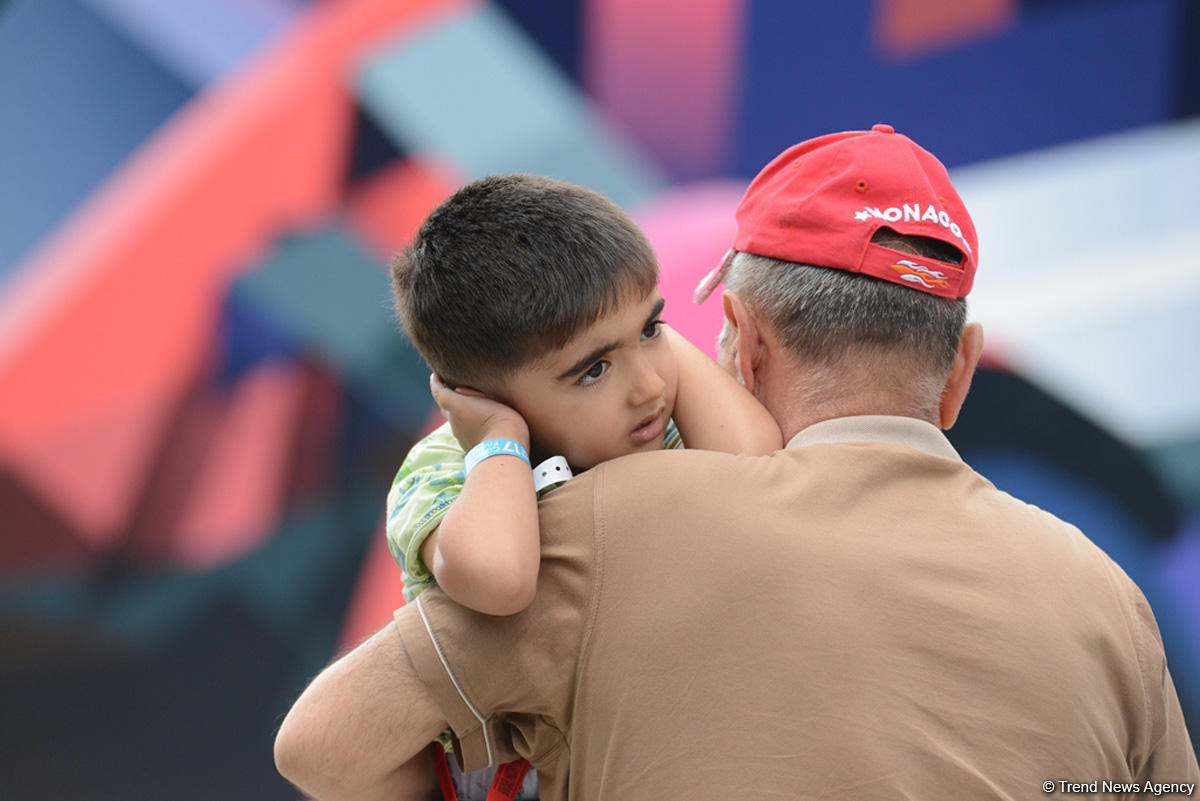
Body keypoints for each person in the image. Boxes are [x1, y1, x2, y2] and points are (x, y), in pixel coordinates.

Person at [275, 125, 1199, 801]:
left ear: (742, 347)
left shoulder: (603, 531)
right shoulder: (1109, 600)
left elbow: (322, 749)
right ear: (961, 370)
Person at [385, 174, 779, 619]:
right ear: (479, 399)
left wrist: (634, 333)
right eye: (594, 371)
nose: (649, 387)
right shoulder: (447, 471)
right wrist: (499, 435)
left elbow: (761, 474)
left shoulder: (659, 421)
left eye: (652, 329)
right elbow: (501, 582)